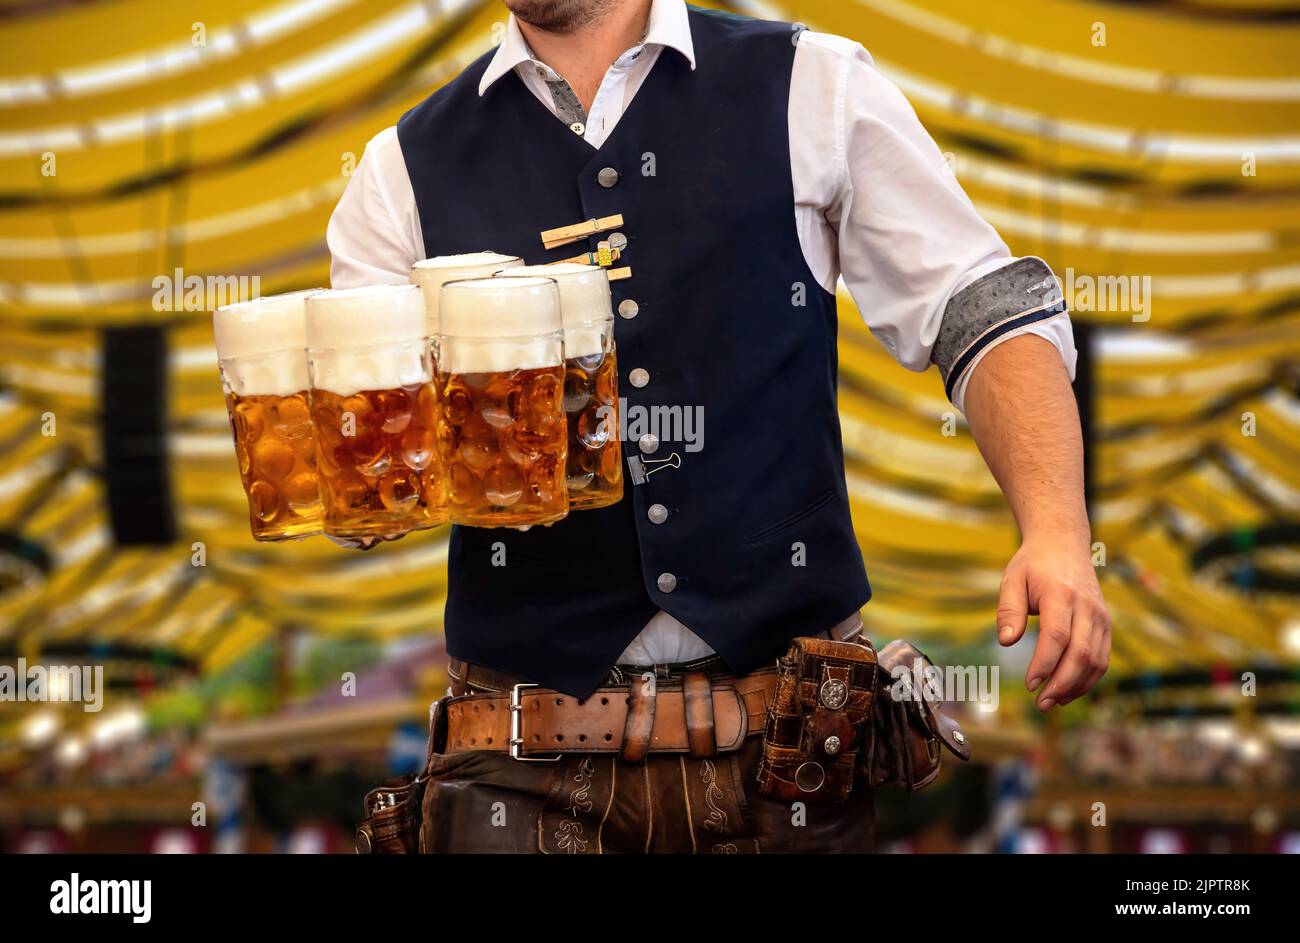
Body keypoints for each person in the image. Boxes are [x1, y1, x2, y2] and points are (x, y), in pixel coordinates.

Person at [328, 0, 1111, 853]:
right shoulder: (400, 169)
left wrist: (1058, 529)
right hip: (519, 769)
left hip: (791, 757)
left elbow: (981, 311)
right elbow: (367, 471)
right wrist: (364, 480)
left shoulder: (812, 81)